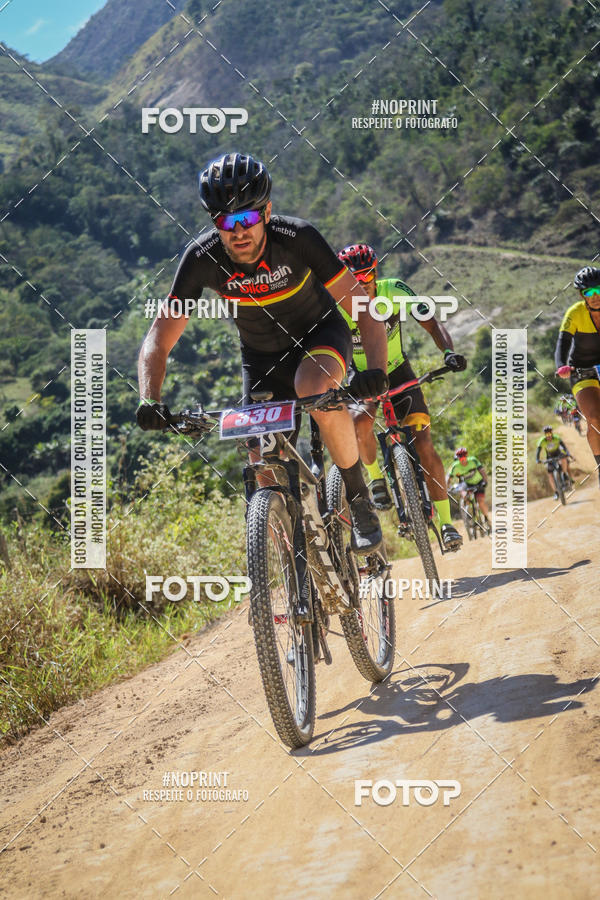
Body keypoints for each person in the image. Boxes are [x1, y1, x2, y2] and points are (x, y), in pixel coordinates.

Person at [136, 152, 390, 553]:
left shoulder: (298, 238)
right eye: (224, 222)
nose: (237, 231)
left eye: (247, 219)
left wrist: (375, 370)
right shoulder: (202, 259)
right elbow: (159, 337)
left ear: (266, 212)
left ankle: (360, 501)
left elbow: (365, 312)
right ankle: (297, 570)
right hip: (261, 359)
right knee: (261, 461)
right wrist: (150, 397)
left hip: (318, 336)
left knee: (313, 387)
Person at [336, 243, 465, 552]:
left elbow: (431, 322)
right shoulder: (337, 303)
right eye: (354, 279)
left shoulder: (394, 290)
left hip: (398, 370)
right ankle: (376, 477)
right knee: (358, 421)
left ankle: (447, 523)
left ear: (375, 273)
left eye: (367, 276)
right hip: (361, 374)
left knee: (424, 444)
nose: (362, 284)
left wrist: (448, 352)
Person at [555, 265, 600, 486]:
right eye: (589, 292)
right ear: (582, 295)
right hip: (582, 369)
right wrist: (561, 364)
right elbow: (563, 341)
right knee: (594, 418)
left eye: (599, 290)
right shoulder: (575, 312)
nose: (595, 296)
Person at [447, 447, 490, 521]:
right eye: (460, 458)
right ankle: (469, 512)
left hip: (478, 482)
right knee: (463, 494)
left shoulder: (473, 460)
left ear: (467, 456)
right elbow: (448, 478)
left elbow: (482, 471)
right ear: (458, 458)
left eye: (464, 457)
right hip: (467, 484)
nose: (463, 460)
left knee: (480, 501)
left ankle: (486, 517)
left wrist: (485, 481)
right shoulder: (455, 466)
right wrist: (447, 488)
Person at [535, 425, 573, 498]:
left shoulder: (557, 438)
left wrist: (567, 453)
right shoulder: (542, 441)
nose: (548, 436)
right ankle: (555, 492)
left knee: (564, 459)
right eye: (546, 434)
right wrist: (537, 459)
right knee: (550, 475)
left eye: (549, 434)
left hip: (558, 454)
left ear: (552, 433)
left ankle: (564, 473)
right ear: (545, 435)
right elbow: (538, 451)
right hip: (549, 456)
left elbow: (564, 447)